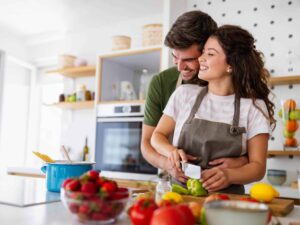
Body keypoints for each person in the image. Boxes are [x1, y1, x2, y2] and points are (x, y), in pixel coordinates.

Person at [151, 25, 276, 194]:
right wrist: (171, 152)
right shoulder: (184, 94)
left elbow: (258, 167)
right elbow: (157, 137)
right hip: (179, 196)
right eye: (203, 52)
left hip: (226, 201)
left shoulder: (253, 107)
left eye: (210, 54)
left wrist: (229, 175)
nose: (200, 59)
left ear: (231, 65)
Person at [141, 11, 248, 179]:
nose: (179, 67)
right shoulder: (162, 83)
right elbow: (147, 143)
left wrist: (243, 161)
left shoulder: (236, 86)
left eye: (189, 59)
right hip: (177, 182)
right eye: (175, 57)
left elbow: (256, 151)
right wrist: (169, 165)